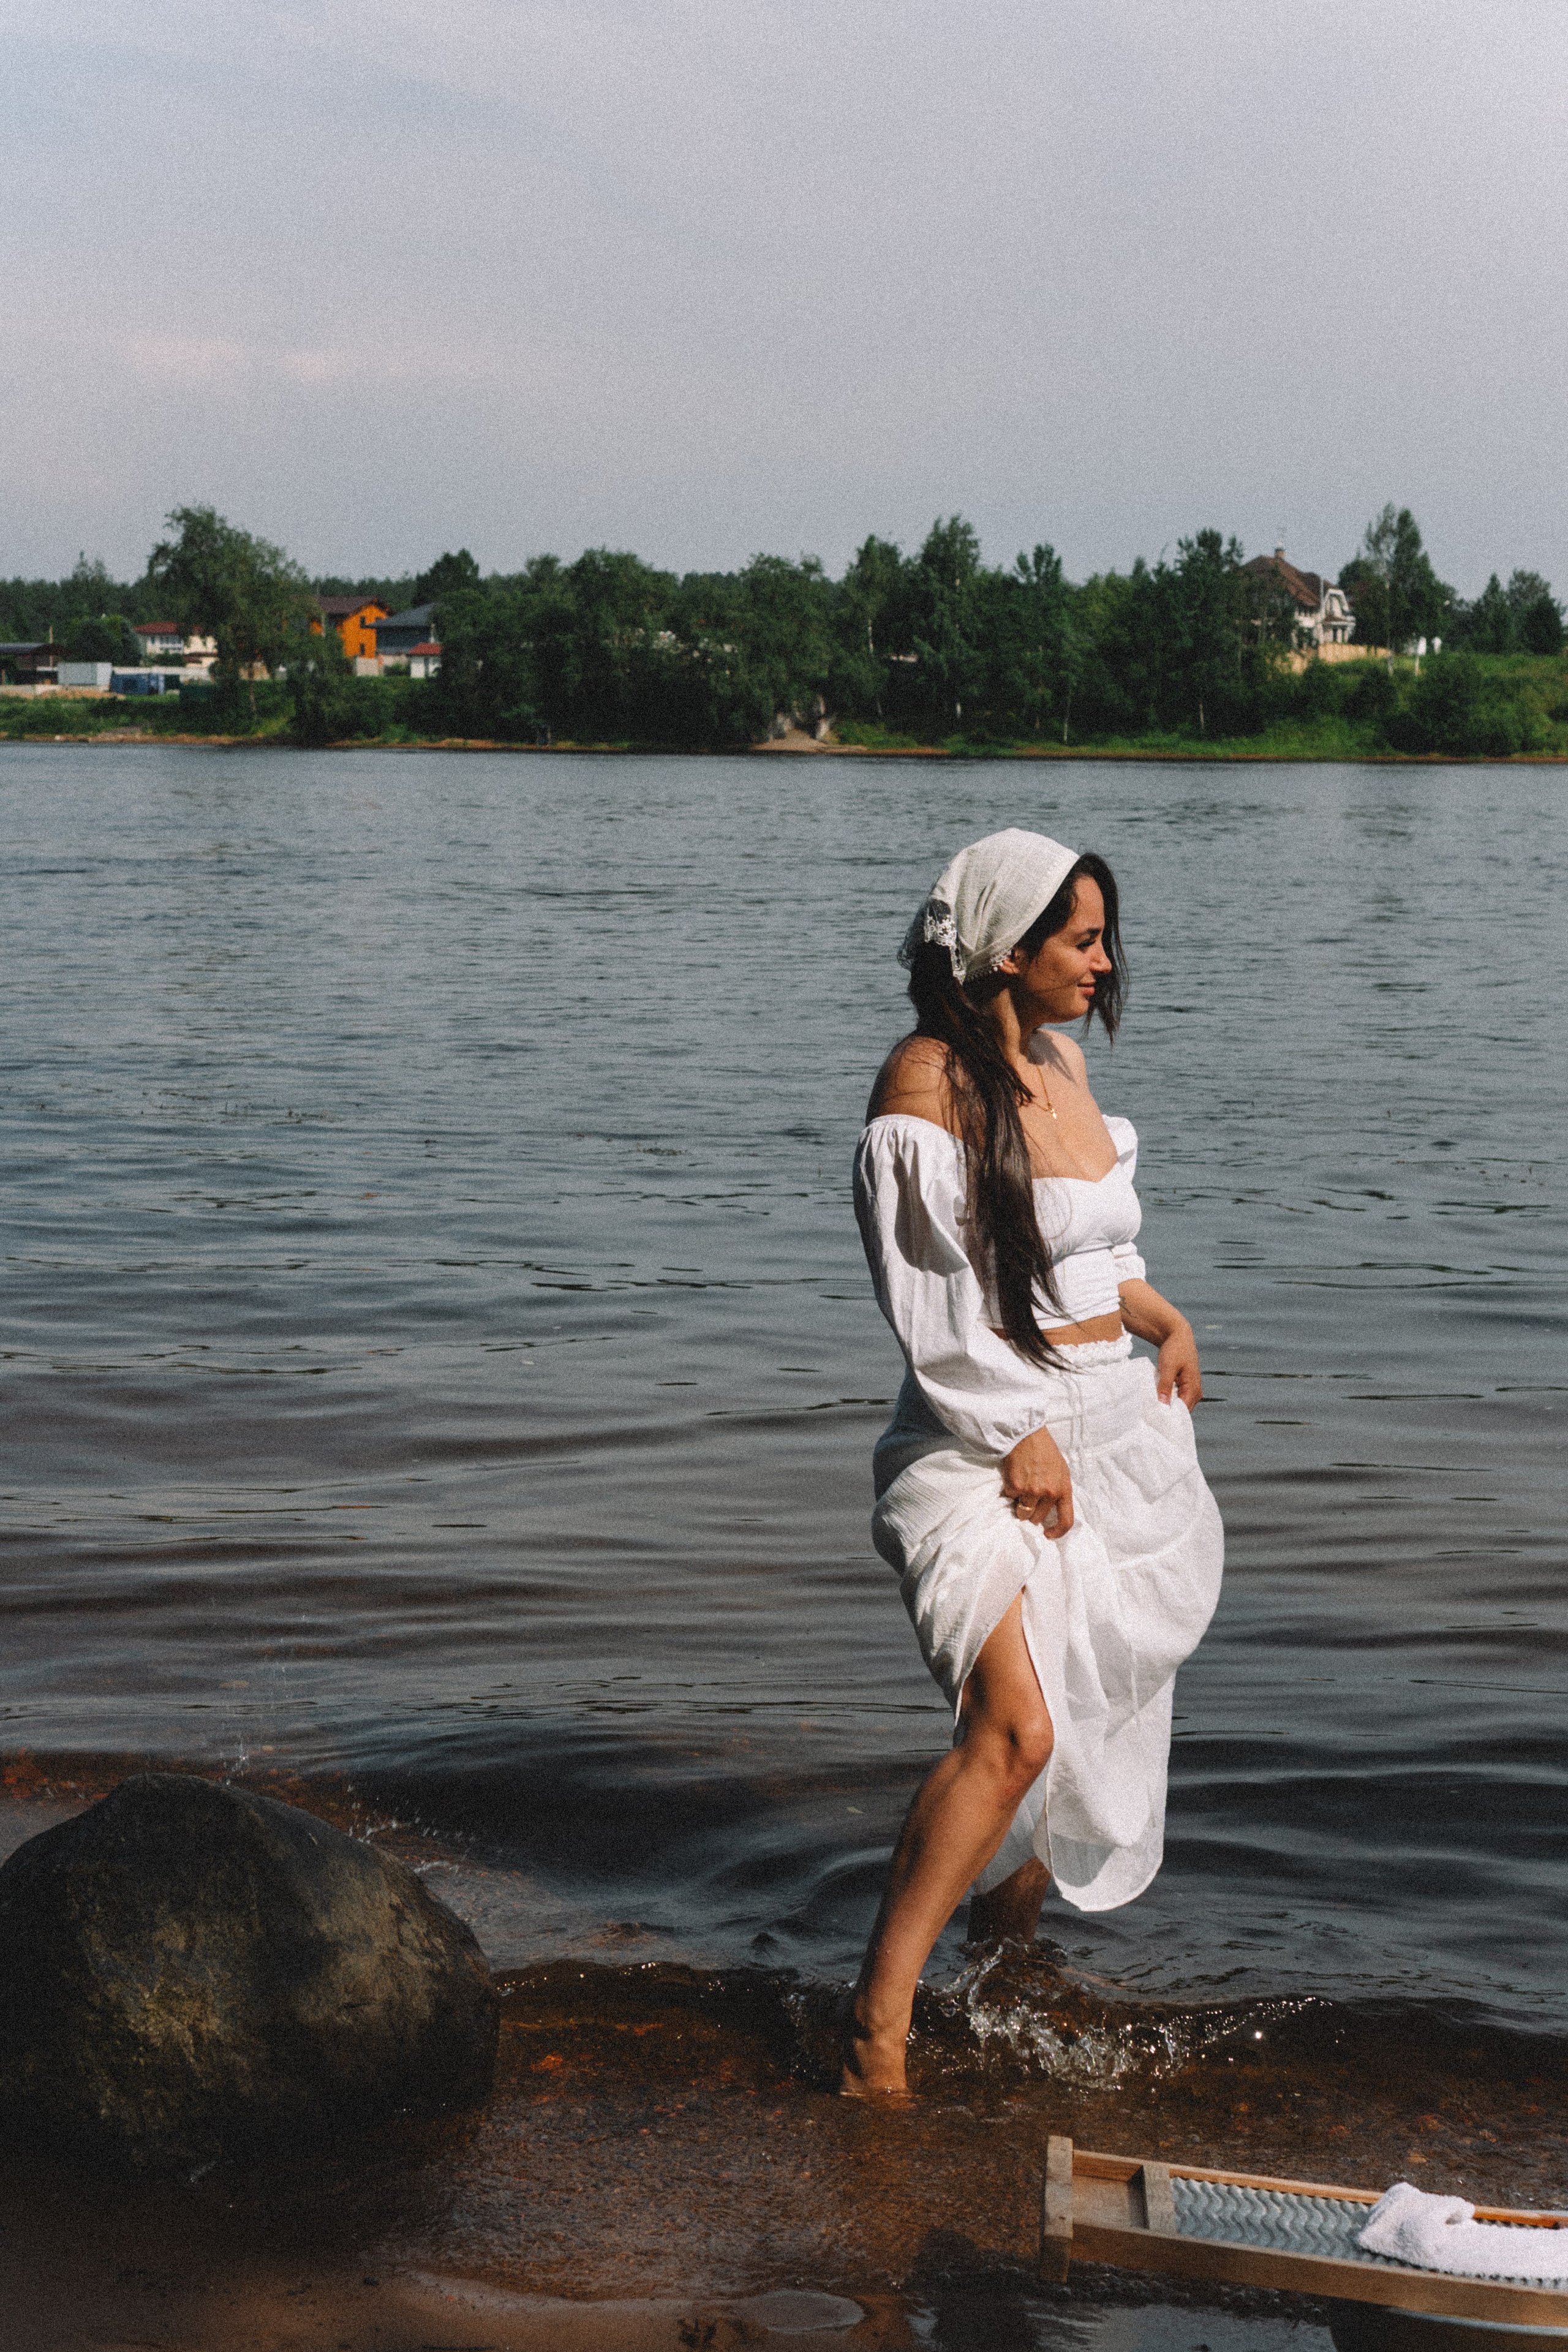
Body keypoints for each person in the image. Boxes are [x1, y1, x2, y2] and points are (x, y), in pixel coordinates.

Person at [842, 827, 1223, 2098]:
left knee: (1060, 1747)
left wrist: (1156, 1315)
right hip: (972, 1440)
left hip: (1098, 1429)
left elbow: (1088, 1257)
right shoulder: (922, 1089)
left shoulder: (1054, 1064)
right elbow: (935, 1312)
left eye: (1103, 936)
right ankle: (877, 2026)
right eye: (1080, 939)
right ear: (1005, 951)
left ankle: (994, 1984)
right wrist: (1022, 1434)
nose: (1103, 963)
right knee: (1012, 1731)